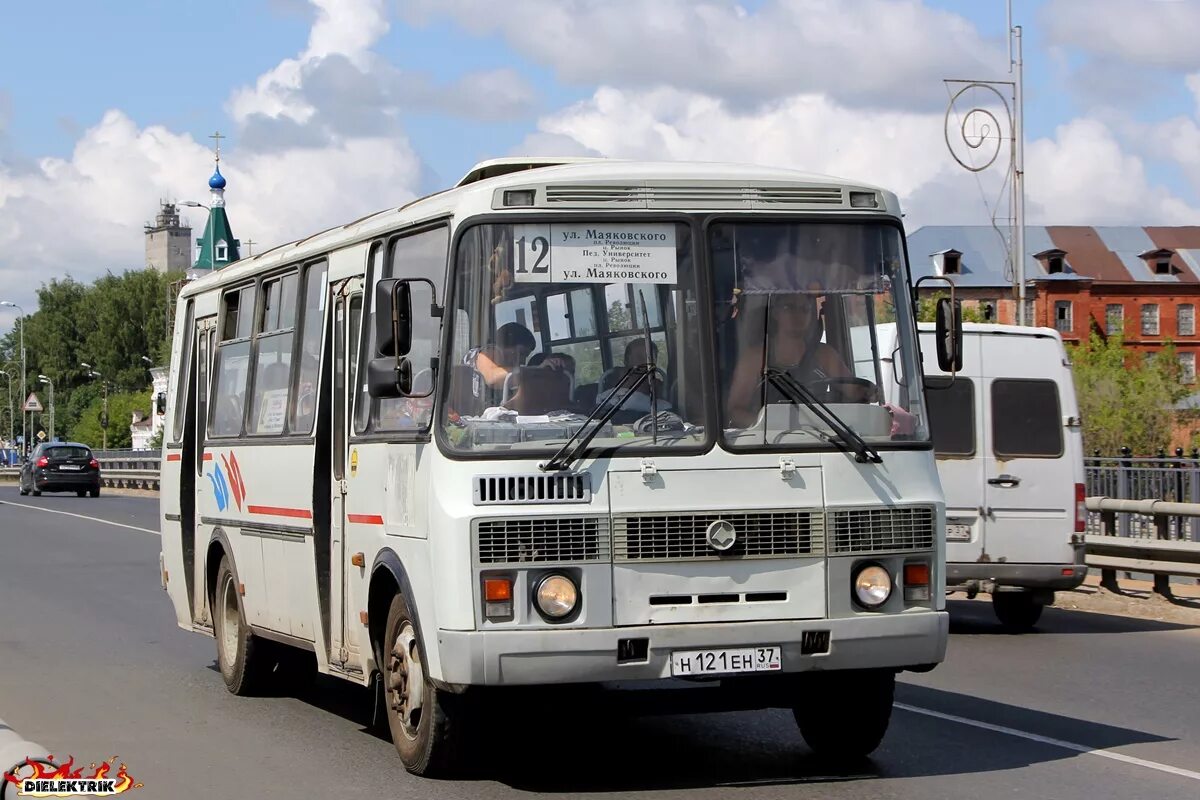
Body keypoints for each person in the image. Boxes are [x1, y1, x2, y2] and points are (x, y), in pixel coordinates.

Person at [726, 291, 858, 427]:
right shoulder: (754, 358)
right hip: (767, 442)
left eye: (805, 310)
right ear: (775, 313)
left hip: (820, 439)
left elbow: (854, 391)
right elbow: (735, 410)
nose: (798, 315)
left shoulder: (825, 355)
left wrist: (869, 392)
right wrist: (768, 426)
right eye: (789, 307)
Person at [463, 321, 536, 403]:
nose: (523, 361)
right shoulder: (489, 351)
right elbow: (492, 378)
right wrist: (533, 373)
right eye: (522, 353)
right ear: (507, 345)